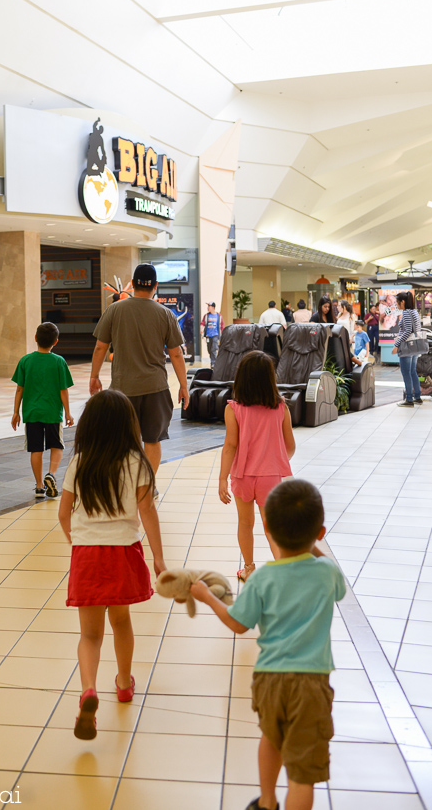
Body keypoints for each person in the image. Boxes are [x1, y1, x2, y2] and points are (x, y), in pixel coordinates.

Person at [191, 478, 346, 810]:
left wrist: (207, 597)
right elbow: (335, 581)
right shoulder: (328, 574)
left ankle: (266, 801)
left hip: (270, 679)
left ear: (269, 531)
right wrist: (313, 542)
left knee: (271, 737)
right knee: (303, 773)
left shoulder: (262, 578)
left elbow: (237, 623)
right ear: (319, 532)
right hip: (311, 683)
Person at [58, 390, 166, 740]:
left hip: (87, 554)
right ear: (127, 425)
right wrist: (159, 558)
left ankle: (88, 689)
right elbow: (147, 511)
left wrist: (78, 543)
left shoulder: (81, 461)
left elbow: (63, 513)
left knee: (90, 635)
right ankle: (122, 683)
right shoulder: (137, 462)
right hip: (122, 551)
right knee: (121, 623)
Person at [90, 263, 189, 476]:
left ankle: (125, 485)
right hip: (155, 388)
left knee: (123, 441)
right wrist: (184, 385)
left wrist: (94, 376)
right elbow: (176, 354)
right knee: (152, 440)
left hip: (122, 389)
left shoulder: (114, 310)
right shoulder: (165, 314)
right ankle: (147, 485)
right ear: (155, 286)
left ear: (133, 284)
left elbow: (100, 347)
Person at [219, 350, 295, 582]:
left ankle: (249, 568)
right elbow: (289, 446)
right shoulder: (281, 408)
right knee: (270, 525)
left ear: (241, 378)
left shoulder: (233, 409)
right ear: (270, 379)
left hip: (242, 476)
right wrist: (273, 460)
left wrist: (222, 478)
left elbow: (230, 446)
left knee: (245, 522)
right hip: (270, 477)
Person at [11, 322, 74, 499]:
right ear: (56, 342)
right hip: (53, 412)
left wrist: (16, 412)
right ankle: (51, 474)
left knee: (36, 449)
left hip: (31, 413)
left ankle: (39, 486)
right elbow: (63, 390)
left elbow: (19, 389)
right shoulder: (59, 362)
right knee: (57, 445)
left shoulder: (25, 361)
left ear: (36, 338)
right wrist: (68, 412)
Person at [392, 291, 423, 407]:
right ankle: (417, 397)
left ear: (403, 302)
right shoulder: (414, 312)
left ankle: (409, 399)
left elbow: (407, 331)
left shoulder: (406, 312)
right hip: (414, 347)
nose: (396, 304)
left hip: (407, 347)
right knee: (412, 371)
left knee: (406, 372)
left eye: (397, 302)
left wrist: (396, 345)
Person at [200, 301, 224, 367]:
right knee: (209, 349)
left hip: (215, 335)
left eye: (209, 306)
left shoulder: (219, 316)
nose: (208, 308)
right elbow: (202, 323)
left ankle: (214, 363)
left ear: (213, 307)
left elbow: (222, 326)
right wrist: (201, 329)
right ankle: (213, 361)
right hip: (208, 335)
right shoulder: (206, 316)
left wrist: (222, 335)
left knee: (214, 349)